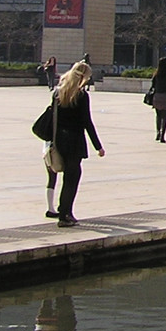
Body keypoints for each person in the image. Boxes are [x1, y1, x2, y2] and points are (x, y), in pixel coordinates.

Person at [50, 61, 105, 226]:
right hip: (74, 141)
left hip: (59, 139)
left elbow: (53, 118)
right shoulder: (81, 95)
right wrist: (98, 146)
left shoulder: (57, 92)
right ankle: (65, 214)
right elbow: (87, 122)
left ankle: (64, 211)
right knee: (72, 178)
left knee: (67, 177)